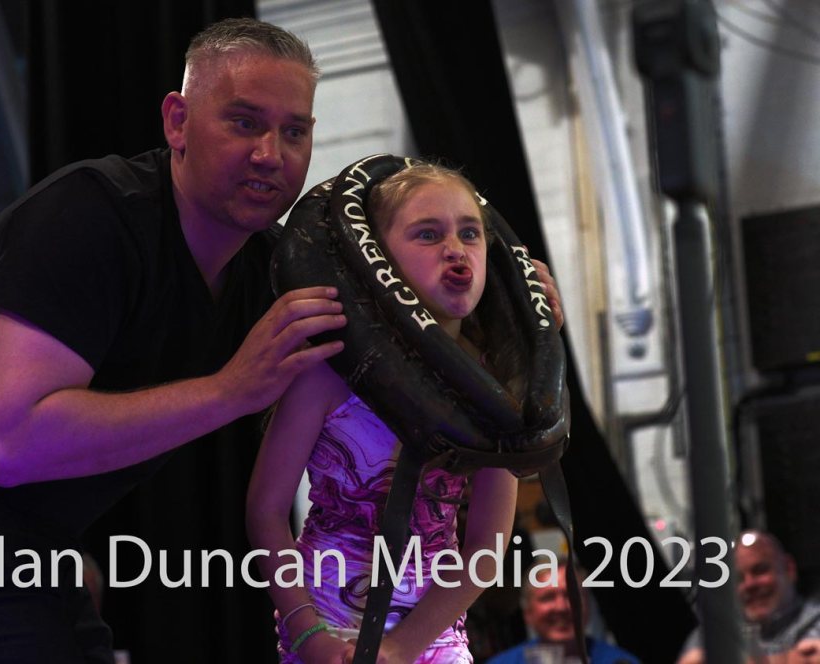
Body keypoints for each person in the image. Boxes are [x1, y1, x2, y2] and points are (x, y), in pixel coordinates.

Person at [0, 18, 346, 663]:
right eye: (245, 122)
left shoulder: (269, 270)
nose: (270, 154)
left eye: (294, 131)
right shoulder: (91, 213)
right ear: (177, 122)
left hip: (17, 523)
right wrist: (231, 390)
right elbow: (12, 441)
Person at [247, 161, 549, 663]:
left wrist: (402, 647)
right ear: (376, 258)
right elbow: (266, 510)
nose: (455, 249)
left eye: (470, 233)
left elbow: (487, 545)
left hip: (431, 636)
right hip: (326, 627)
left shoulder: (491, 387)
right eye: (428, 234)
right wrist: (308, 634)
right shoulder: (328, 370)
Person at [677, 530, 820, 664]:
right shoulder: (710, 633)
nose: (749, 584)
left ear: (789, 569)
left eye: (760, 571)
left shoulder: (815, 621)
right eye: (739, 578)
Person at [486, 563, 639, 664]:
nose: (562, 607)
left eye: (572, 596)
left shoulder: (620, 661)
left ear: (587, 605)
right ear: (527, 613)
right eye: (548, 598)